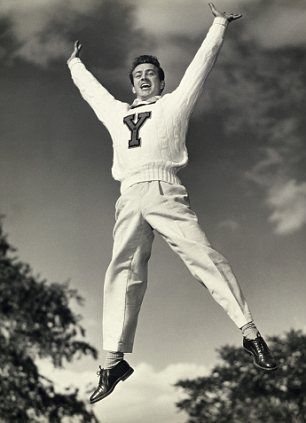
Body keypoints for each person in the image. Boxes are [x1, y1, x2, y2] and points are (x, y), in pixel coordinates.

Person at [67, 2, 278, 405]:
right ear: (132, 85)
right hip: (129, 196)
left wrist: (218, 25)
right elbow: (93, 93)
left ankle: (250, 333)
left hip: (165, 191)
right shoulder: (117, 113)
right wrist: (75, 65)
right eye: (139, 76)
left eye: (151, 75)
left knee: (204, 257)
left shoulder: (173, 106)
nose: (145, 79)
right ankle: (113, 361)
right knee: (122, 273)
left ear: (161, 84)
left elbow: (201, 65)